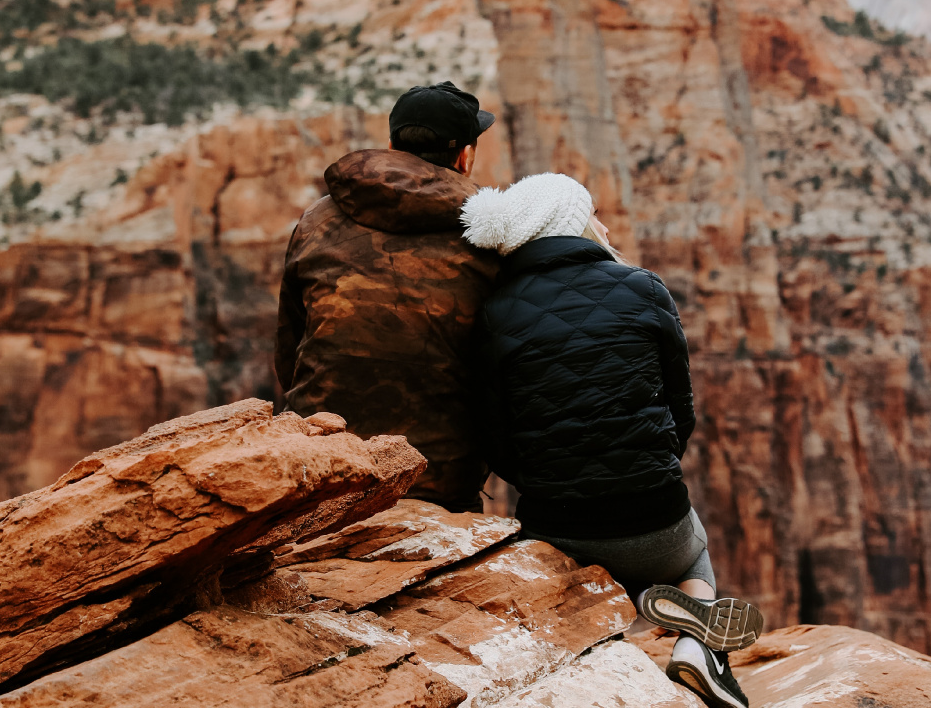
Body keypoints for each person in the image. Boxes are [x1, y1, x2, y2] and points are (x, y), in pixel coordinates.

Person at [460, 173, 762, 708]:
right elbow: (681, 408)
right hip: (655, 516)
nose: (602, 224)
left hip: (559, 529)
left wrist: (546, 480)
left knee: (584, 570)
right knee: (693, 556)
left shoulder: (494, 312)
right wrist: (650, 464)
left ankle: (621, 632)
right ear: (572, 224)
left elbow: (494, 435)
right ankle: (700, 647)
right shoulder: (643, 286)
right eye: (592, 213)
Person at [276, 81, 500, 513]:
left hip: (320, 467)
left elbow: (290, 349)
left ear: (394, 146)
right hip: (439, 481)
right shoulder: (489, 232)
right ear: (465, 156)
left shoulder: (318, 218)